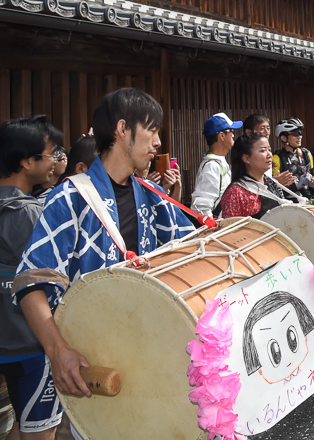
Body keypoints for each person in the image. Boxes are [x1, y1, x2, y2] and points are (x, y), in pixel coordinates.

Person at [16, 89, 193, 402]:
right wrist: (58, 352)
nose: (158, 143)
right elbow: (32, 282)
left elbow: (191, 253)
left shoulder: (153, 195)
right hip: (91, 357)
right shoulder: (71, 197)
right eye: (151, 130)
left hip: (148, 348)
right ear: (123, 129)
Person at [1, 115, 65, 439]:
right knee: (41, 431)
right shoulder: (31, 213)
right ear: (27, 162)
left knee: (19, 425)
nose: (56, 161)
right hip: (32, 344)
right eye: (51, 154)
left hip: (5, 343)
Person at [219, 132, 302, 218]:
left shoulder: (271, 182)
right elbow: (232, 228)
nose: (269, 155)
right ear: (246, 158)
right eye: (263, 150)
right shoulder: (236, 193)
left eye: (269, 150)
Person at [191, 112, 241, 218]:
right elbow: (200, 206)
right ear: (221, 135)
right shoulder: (212, 166)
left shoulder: (219, 161)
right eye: (231, 130)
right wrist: (213, 228)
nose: (233, 134)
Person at [272, 118, 314, 199]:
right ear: (283, 138)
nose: (299, 136)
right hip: (289, 202)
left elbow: (313, 173)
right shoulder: (276, 158)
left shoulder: (306, 153)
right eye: (295, 134)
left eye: (300, 133)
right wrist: (298, 185)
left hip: (308, 198)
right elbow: (275, 188)